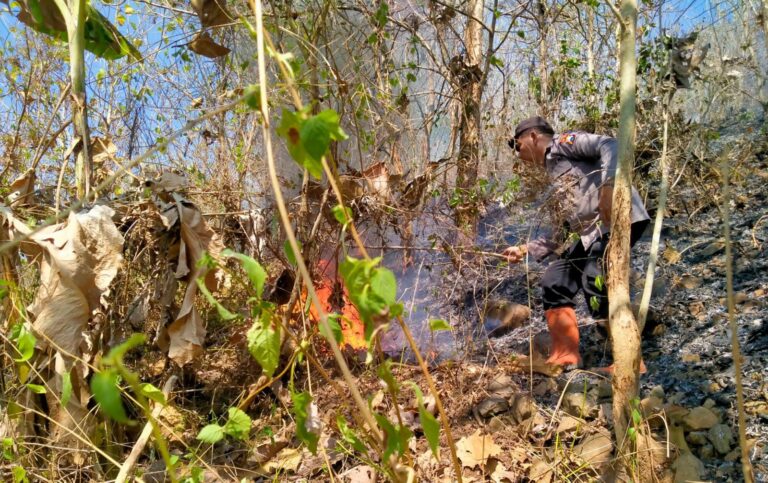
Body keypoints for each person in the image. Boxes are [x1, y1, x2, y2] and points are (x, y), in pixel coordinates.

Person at [501, 116, 650, 370]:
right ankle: (565, 355)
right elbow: (561, 231)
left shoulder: (564, 144)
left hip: (617, 219)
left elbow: (610, 145)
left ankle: (629, 362)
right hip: (590, 233)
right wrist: (524, 249)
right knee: (555, 280)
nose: (518, 152)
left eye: (517, 145)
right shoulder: (551, 173)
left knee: (595, 275)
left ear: (533, 136)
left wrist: (608, 186)